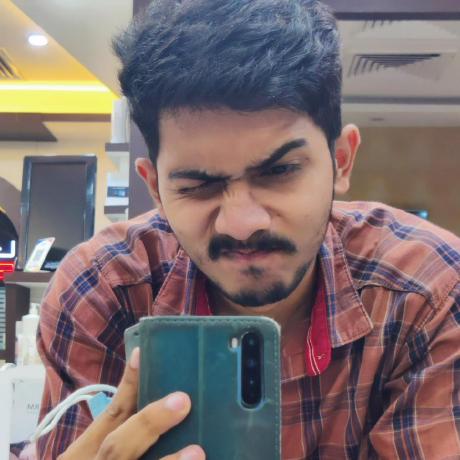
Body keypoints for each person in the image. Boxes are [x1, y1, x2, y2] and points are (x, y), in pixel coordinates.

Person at [36, 0, 460, 458]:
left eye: (280, 172)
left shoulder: (428, 292)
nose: (241, 224)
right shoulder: (102, 291)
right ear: (154, 187)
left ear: (341, 161)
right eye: (197, 186)